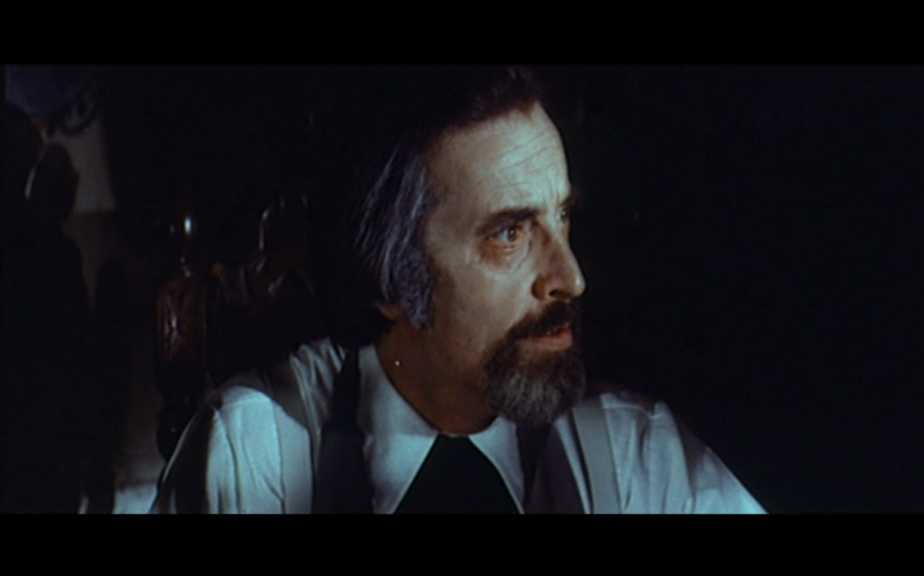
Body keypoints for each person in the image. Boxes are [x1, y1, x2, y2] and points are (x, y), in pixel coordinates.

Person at [151, 67, 764, 514]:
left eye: (562, 218)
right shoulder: (255, 452)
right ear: (392, 281)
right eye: (510, 233)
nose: (571, 278)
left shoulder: (637, 452)